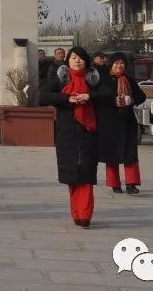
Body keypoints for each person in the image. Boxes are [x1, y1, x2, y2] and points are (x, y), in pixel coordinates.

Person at [39, 46, 108, 228]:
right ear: (68, 61)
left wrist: (89, 96)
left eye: (80, 58)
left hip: (88, 131)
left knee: (86, 173)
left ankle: (85, 214)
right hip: (67, 132)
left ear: (86, 61)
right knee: (72, 174)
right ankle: (76, 212)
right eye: (73, 58)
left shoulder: (93, 80)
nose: (77, 61)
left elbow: (108, 94)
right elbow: (43, 96)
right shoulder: (61, 79)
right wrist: (67, 99)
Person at [96, 52, 147, 194]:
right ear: (111, 64)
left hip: (127, 120)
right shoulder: (104, 80)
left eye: (122, 63)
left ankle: (131, 183)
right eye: (116, 63)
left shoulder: (129, 80)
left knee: (130, 152)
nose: (119, 65)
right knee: (111, 153)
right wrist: (113, 101)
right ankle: (114, 183)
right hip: (109, 121)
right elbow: (99, 98)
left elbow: (141, 96)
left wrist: (132, 99)